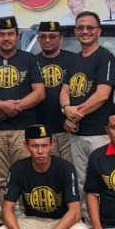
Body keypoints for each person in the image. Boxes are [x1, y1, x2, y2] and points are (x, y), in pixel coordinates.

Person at [0, 125, 89, 229]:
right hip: (33, 221)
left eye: (44, 146)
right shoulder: (18, 168)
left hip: (62, 222)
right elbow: (7, 209)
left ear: (52, 145)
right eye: (35, 146)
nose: (40, 151)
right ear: (26, 146)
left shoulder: (65, 168)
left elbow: (75, 212)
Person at [0, 16, 44, 188]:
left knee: (25, 175)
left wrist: (14, 107)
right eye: (2, 34)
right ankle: (3, 207)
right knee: (0, 178)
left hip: (23, 129)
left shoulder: (30, 59)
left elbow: (39, 92)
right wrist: (1, 105)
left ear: (17, 36)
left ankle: (22, 207)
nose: (6, 38)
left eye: (10, 34)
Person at [61, 11, 115, 190]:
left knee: (103, 180)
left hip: (98, 134)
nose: (85, 31)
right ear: (76, 31)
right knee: (81, 181)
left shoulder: (105, 57)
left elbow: (102, 95)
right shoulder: (73, 60)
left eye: (90, 27)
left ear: (99, 31)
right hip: (76, 134)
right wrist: (66, 109)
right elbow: (65, 90)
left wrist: (74, 115)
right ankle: (85, 210)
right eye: (81, 28)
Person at [35, 20, 76, 162]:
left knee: (70, 168)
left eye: (52, 36)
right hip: (42, 132)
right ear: (38, 38)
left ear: (60, 38)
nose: (47, 40)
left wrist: (72, 118)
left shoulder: (74, 60)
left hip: (68, 128)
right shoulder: (32, 62)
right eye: (43, 36)